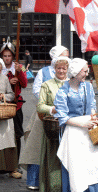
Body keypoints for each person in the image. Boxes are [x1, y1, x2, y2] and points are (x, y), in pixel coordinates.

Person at [54, 58, 98, 192]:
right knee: (77, 165)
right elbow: (63, 117)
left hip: (89, 130)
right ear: (76, 72)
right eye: (84, 71)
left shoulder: (88, 86)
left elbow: (91, 105)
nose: (87, 74)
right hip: (73, 131)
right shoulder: (63, 91)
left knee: (96, 162)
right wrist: (82, 122)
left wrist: (92, 118)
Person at [20, 46, 69, 190]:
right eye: (64, 55)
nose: (67, 57)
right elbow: (36, 90)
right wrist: (50, 102)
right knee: (37, 148)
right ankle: (35, 181)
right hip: (43, 116)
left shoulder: (69, 73)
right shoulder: (44, 72)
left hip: (63, 118)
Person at [37, 57, 70, 191]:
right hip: (53, 129)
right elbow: (40, 106)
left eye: (64, 68)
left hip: (69, 127)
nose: (61, 71)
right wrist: (52, 109)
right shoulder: (47, 85)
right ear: (54, 69)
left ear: (68, 70)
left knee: (68, 160)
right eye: (58, 68)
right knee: (54, 160)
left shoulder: (72, 84)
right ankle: (53, 188)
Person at [0, 39, 28, 179]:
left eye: (9, 56)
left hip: (15, 106)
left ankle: (14, 166)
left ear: (13, 56)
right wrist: (8, 82)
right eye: (4, 56)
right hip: (1, 107)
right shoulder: (0, 68)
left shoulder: (20, 67)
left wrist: (19, 73)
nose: (7, 58)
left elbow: (25, 83)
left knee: (16, 135)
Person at [0, 58, 17, 175]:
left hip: (3, 112)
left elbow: (11, 95)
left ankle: (10, 168)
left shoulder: (4, 78)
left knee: (7, 139)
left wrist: (3, 96)